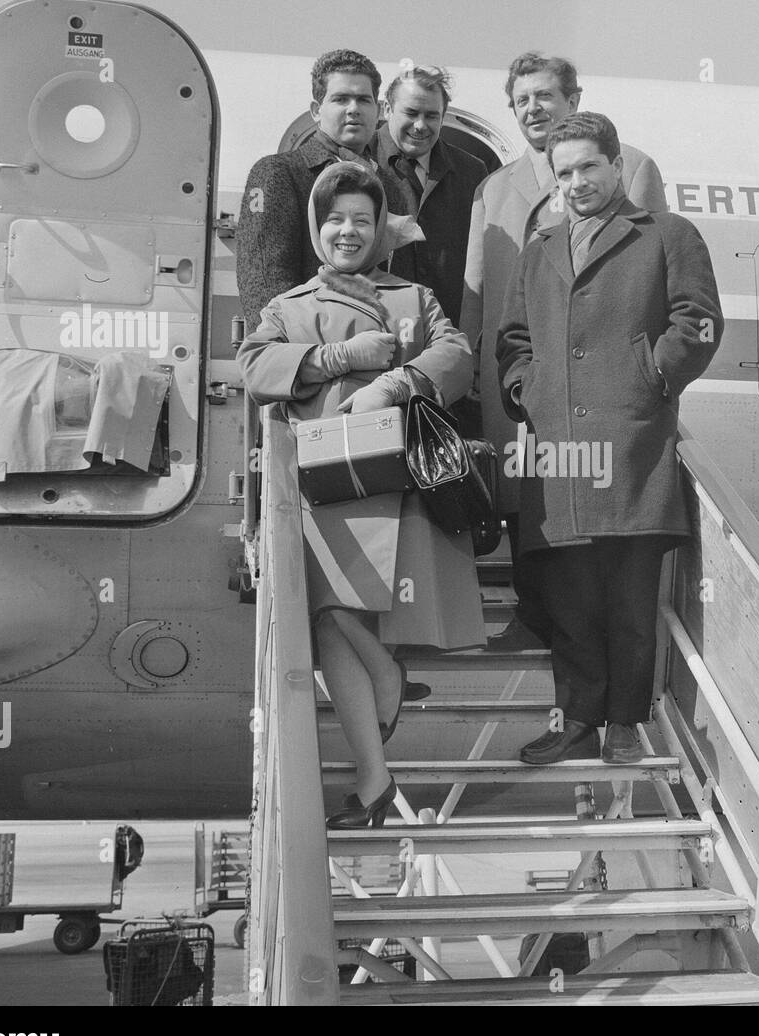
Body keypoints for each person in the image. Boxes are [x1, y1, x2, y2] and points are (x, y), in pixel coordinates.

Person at [239, 161, 483, 825]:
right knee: (326, 614)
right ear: (317, 229)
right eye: (335, 219)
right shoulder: (286, 308)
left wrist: (394, 384)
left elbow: (456, 358)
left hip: (390, 484)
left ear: (380, 231)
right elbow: (255, 368)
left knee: (332, 619)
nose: (348, 231)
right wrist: (340, 361)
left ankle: (374, 783)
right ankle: (386, 683)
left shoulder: (413, 298)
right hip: (319, 484)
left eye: (362, 220)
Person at [496, 112, 722, 765]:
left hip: (631, 446)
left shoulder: (669, 235)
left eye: (588, 166)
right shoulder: (539, 248)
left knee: (627, 600)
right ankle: (575, 722)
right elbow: (513, 340)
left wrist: (651, 375)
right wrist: (525, 391)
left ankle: (624, 723)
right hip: (560, 450)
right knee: (567, 599)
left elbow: (700, 321)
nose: (576, 182)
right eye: (563, 172)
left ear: (617, 166)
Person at [460, 52, 668, 652]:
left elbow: (656, 271)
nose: (534, 108)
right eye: (522, 99)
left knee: (587, 496)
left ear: (574, 101)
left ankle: (584, 632)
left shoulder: (635, 170)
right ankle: (531, 614)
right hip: (522, 375)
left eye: (546, 96)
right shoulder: (493, 188)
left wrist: (646, 371)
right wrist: (480, 367)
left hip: (598, 378)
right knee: (525, 496)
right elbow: (476, 290)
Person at [236, 49, 408, 329]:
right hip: (306, 349)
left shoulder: (388, 186)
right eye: (340, 99)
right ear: (317, 110)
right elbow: (264, 279)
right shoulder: (280, 173)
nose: (353, 109)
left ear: (377, 111)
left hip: (375, 348)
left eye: (363, 100)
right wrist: (286, 353)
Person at [377, 65, 487, 330]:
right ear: (388, 110)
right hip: (376, 331)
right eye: (411, 113)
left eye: (431, 116)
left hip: (447, 333)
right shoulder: (360, 162)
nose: (420, 125)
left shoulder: (472, 171)